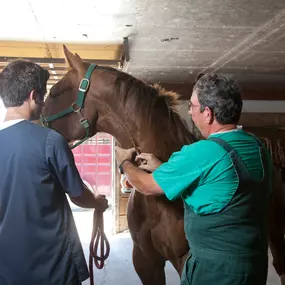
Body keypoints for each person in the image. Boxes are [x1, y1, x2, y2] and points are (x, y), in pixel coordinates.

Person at [115, 73, 272, 285]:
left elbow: (145, 185)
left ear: (207, 114)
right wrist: (163, 168)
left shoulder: (201, 153)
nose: (189, 111)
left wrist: (124, 163)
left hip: (215, 272)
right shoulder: (257, 146)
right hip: (253, 265)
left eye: (192, 105)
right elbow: (218, 184)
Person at [0, 60, 108, 285]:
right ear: (33, 95)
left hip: (8, 267)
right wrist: (97, 202)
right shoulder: (50, 141)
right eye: (43, 95)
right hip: (54, 265)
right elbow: (78, 195)